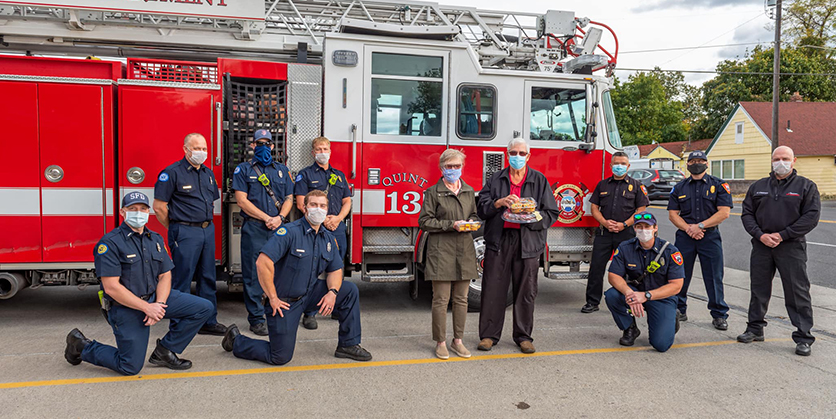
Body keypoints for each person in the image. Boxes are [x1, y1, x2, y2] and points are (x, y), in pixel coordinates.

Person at [64, 192, 213, 375]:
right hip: (126, 306)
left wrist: (158, 304)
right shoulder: (110, 243)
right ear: (122, 212)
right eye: (132, 209)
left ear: (148, 211)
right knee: (130, 366)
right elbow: (111, 287)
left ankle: (165, 350)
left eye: (143, 208)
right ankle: (81, 346)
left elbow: (165, 275)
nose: (138, 212)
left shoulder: (156, 239)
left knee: (204, 307)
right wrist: (146, 308)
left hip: (152, 299)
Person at [221, 190, 372, 364]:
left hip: (309, 293)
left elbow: (336, 269)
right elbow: (263, 263)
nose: (318, 209)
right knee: (279, 356)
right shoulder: (289, 232)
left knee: (349, 290)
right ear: (305, 208)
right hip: (284, 302)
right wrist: (273, 298)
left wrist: (332, 292)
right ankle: (236, 340)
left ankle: (348, 345)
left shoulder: (328, 239)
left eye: (322, 206)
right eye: (313, 205)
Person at [476, 138, 560, 354]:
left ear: (528, 156)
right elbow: (482, 207)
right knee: (493, 289)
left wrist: (533, 217)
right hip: (500, 240)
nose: (517, 156)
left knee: (526, 291)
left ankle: (523, 337)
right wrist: (499, 202)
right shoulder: (495, 179)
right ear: (507, 155)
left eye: (522, 153)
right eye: (513, 152)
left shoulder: (539, 180)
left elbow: (552, 213)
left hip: (528, 242)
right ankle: (488, 335)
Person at [738, 146, 820, 356]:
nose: (780, 162)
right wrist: (760, 235)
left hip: (791, 247)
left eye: (785, 158)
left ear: (794, 161)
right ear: (771, 161)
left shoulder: (806, 186)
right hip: (762, 245)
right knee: (758, 289)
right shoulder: (758, 187)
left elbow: (810, 217)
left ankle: (803, 337)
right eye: (776, 158)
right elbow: (747, 214)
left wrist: (783, 235)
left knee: (797, 291)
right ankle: (755, 328)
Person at [154, 133, 227, 336]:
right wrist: (177, 228)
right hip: (184, 230)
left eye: (204, 149)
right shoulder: (171, 173)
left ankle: (208, 321)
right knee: (182, 280)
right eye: (197, 148)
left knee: (208, 277)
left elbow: (211, 201)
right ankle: (178, 325)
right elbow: (159, 207)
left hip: (207, 230)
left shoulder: (208, 173)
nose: (202, 153)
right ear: (186, 149)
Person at [231, 129, 294, 336]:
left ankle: (275, 310)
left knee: (279, 272)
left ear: (273, 147)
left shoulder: (282, 171)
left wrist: (280, 218)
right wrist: (266, 218)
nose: (264, 147)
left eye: (267, 143)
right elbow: (241, 200)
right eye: (260, 143)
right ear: (253, 146)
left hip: (279, 228)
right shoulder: (242, 170)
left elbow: (289, 198)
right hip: (255, 228)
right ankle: (257, 319)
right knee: (253, 274)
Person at [417, 149, 478, 360]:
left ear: (462, 167)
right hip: (440, 249)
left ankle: (458, 341)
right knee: (441, 299)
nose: (453, 170)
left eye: (456, 166)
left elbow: (474, 214)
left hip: (465, 250)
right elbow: (424, 222)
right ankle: (440, 342)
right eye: (449, 166)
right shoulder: (433, 192)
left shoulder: (469, 191)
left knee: (462, 299)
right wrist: (452, 224)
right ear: (441, 168)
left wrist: (471, 223)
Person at [667, 150, 732, 330]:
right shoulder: (679, 187)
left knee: (714, 276)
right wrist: (689, 228)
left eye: (700, 160)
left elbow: (724, 212)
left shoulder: (719, 185)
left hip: (709, 236)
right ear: (687, 164)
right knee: (679, 274)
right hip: (685, 236)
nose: (696, 163)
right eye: (693, 161)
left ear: (707, 163)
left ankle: (719, 314)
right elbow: (673, 214)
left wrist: (700, 226)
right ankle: (679, 309)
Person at [604, 211, 685, 352]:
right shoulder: (625, 248)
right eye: (639, 227)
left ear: (655, 228)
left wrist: (646, 296)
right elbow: (613, 275)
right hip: (635, 293)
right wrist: (629, 293)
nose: (643, 230)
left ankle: (672, 318)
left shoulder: (670, 251)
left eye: (647, 227)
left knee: (661, 345)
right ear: (634, 229)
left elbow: (676, 286)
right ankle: (630, 328)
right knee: (612, 295)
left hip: (661, 297)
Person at [294, 137, 351, 330]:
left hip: (338, 228)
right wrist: (324, 220)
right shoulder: (305, 175)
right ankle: (309, 313)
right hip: (316, 228)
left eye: (325, 148)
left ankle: (336, 305)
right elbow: (301, 203)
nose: (322, 152)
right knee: (314, 269)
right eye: (318, 149)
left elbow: (347, 202)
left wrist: (338, 219)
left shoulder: (340, 175)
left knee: (337, 267)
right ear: (312, 153)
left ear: (331, 151)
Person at [583, 151, 649, 313]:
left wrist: (624, 224)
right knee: (596, 268)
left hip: (626, 234)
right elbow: (594, 207)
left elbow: (641, 209)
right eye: (616, 164)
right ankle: (592, 302)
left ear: (628, 166)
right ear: (611, 166)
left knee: (629, 269)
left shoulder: (637, 185)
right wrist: (604, 222)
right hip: (604, 234)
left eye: (622, 164)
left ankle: (628, 301)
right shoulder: (602, 185)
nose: (619, 167)